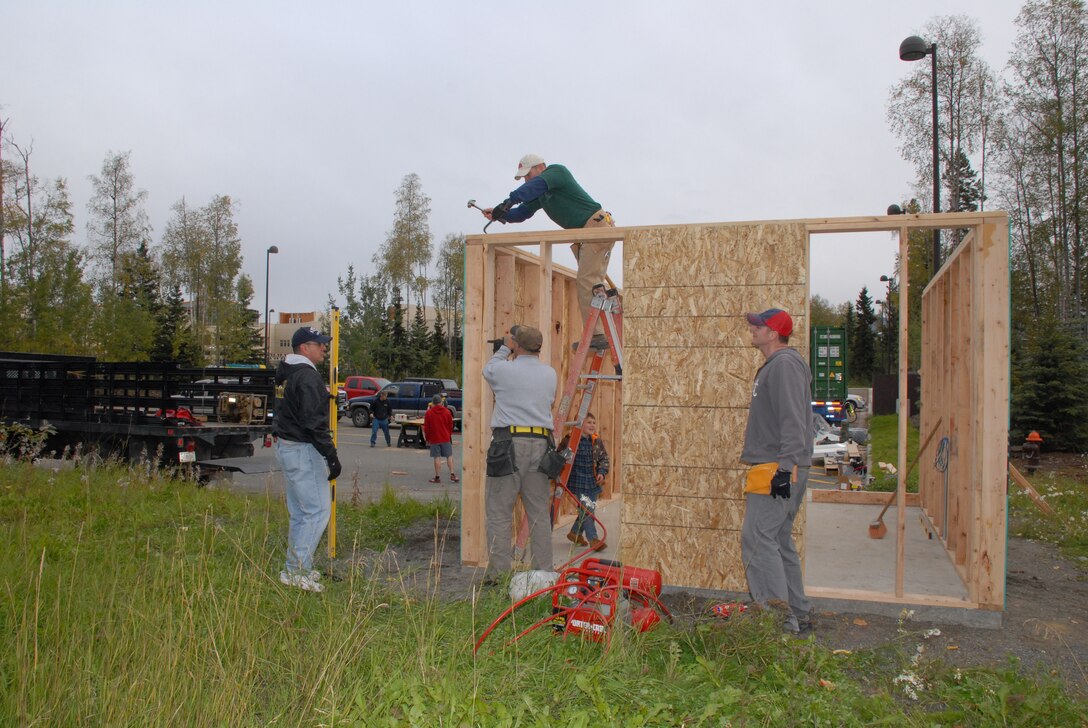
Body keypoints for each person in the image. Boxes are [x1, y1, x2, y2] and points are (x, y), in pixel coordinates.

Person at [483, 154, 615, 349]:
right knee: (592, 282)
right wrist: (501, 213)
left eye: (528, 174)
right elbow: (522, 214)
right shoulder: (541, 193)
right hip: (587, 235)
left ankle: (597, 336)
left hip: (596, 228)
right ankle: (601, 332)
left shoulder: (556, 172)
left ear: (540, 167)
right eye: (524, 177)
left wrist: (509, 200)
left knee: (587, 281)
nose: (527, 179)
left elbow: (532, 188)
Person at [739, 308, 815, 636]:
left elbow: (793, 421)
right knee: (778, 537)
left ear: (773, 333)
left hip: (778, 466)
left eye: (759, 326)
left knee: (757, 538)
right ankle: (797, 611)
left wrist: (785, 469)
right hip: (780, 464)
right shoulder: (779, 366)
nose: (753, 330)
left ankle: (777, 623)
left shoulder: (783, 365)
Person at [482, 325, 558, 581]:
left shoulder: (504, 369)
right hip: (540, 444)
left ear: (517, 344)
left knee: (499, 512)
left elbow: (488, 369)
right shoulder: (550, 374)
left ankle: (499, 576)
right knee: (538, 513)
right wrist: (512, 345)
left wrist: (504, 347)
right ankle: (543, 575)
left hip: (508, 445)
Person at [273, 325, 342, 593]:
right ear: (305, 348)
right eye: (320, 344)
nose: (324, 348)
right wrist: (331, 455)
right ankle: (296, 571)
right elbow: (313, 422)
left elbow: (293, 409)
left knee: (301, 512)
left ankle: (297, 566)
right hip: (302, 449)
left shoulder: (288, 375)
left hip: (290, 446)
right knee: (317, 511)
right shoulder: (307, 377)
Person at [558, 412, 610, 551]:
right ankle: (593, 539)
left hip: (592, 482)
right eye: (589, 422)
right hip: (578, 481)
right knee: (588, 510)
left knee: (586, 510)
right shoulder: (570, 440)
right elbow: (559, 456)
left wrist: (601, 472)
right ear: (580, 424)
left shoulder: (596, 441)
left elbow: (603, 459)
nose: (592, 425)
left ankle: (575, 533)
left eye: (594, 422)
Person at [424, 393, 458, 483]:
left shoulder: (429, 413)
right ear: (441, 402)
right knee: (449, 456)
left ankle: (437, 477)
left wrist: (427, 438)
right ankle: (452, 474)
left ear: (433, 403)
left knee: (437, 457)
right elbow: (450, 425)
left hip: (434, 438)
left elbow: (426, 428)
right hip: (445, 437)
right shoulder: (447, 412)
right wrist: (449, 434)